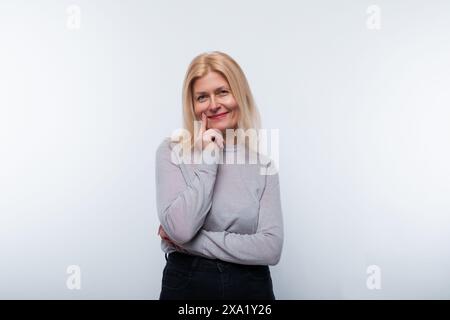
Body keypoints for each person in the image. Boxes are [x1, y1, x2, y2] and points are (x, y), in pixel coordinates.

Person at [155, 51, 283, 300]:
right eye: (202, 97)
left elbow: (271, 248)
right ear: (192, 105)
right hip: (187, 285)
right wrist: (210, 157)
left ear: (239, 93)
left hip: (251, 287)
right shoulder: (172, 151)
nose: (213, 104)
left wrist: (191, 244)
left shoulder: (263, 166)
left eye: (223, 92)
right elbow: (181, 228)